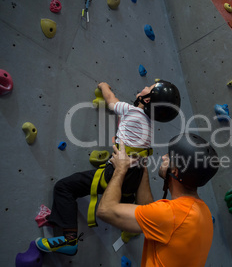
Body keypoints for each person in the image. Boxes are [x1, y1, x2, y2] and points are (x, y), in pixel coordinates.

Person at [35, 80, 181, 256]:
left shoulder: (131, 111)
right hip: (134, 178)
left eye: (147, 88)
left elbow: (111, 100)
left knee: (64, 187)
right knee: (127, 200)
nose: (143, 87)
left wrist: (103, 86)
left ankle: (69, 239)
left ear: (148, 100)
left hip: (116, 171)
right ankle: (130, 229)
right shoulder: (150, 125)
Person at [97, 133, 220, 267]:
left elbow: (105, 210)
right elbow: (150, 213)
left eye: (168, 157)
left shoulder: (172, 214)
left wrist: (120, 169)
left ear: (175, 171)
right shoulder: (203, 213)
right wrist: (142, 167)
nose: (163, 157)